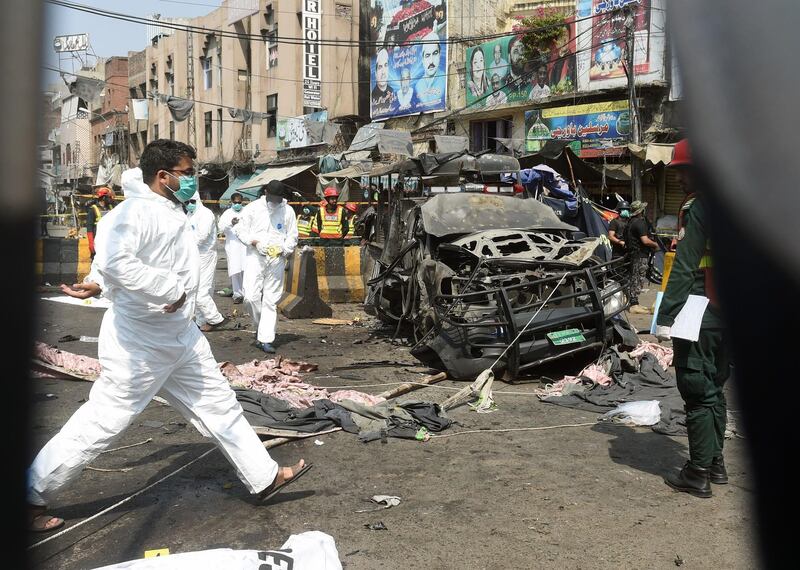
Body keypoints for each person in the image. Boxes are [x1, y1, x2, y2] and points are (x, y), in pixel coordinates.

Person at [27, 140, 308, 533]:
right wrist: (167, 289)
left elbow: (128, 262)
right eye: (188, 172)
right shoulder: (131, 213)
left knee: (219, 405)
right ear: (164, 177)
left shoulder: (171, 209)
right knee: (103, 422)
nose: (193, 179)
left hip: (181, 336)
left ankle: (264, 477)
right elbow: (116, 261)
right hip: (139, 345)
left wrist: (95, 282)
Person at [655, 139, 730, 499]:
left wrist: (665, 317)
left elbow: (684, 266)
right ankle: (716, 464)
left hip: (700, 310)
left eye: (682, 171)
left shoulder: (698, 207)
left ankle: (697, 472)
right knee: (715, 386)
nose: (679, 179)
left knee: (697, 389)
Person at [234, 180, 299, 354]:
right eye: (272, 198)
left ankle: (265, 339)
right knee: (250, 297)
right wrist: (254, 242)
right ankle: (261, 326)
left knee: (271, 300)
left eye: (278, 198)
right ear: (266, 193)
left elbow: (293, 236)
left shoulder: (288, 210)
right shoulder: (253, 208)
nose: (274, 202)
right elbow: (240, 230)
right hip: (256, 256)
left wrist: (285, 249)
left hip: (276, 259)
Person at [186, 192, 226, 332]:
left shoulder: (205, 214)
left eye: (191, 201)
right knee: (195, 289)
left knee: (202, 291)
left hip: (206, 255)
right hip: (194, 256)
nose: (189, 204)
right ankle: (200, 320)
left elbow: (202, 236)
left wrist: (183, 245)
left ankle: (215, 319)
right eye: (187, 202)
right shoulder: (190, 215)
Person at [624, 200, 660, 311]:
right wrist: (655, 244)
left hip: (632, 254)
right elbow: (645, 240)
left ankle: (634, 302)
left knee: (633, 278)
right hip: (640, 255)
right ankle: (634, 305)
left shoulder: (629, 223)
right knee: (638, 278)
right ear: (640, 211)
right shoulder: (640, 223)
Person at [217, 192, 248, 303]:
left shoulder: (247, 212)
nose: (237, 204)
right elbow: (220, 228)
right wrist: (230, 223)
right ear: (231, 202)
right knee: (235, 270)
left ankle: (248, 294)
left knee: (247, 269)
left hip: (245, 246)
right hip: (233, 246)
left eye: (239, 202)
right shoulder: (227, 213)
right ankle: (238, 294)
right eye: (235, 203)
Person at [415, 33, 446, 109]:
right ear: (422, 59)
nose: (431, 61)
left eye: (435, 54)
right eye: (427, 56)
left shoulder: (445, 78)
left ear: (439, 54)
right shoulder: (418, 85)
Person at [85, 186, 113, 258]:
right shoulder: (93, 209)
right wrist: (91, 243)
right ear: (103, 198)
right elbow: (89, 227)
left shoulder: (111, 208)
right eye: (109, 197)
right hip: (98, 241)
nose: (111, 199)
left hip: (109, 241)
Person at [371, 48, 395, 116]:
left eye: (386, 65)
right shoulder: (373, 96)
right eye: (380, 67)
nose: (383, 72)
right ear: (375, 73)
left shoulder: (392, 91)